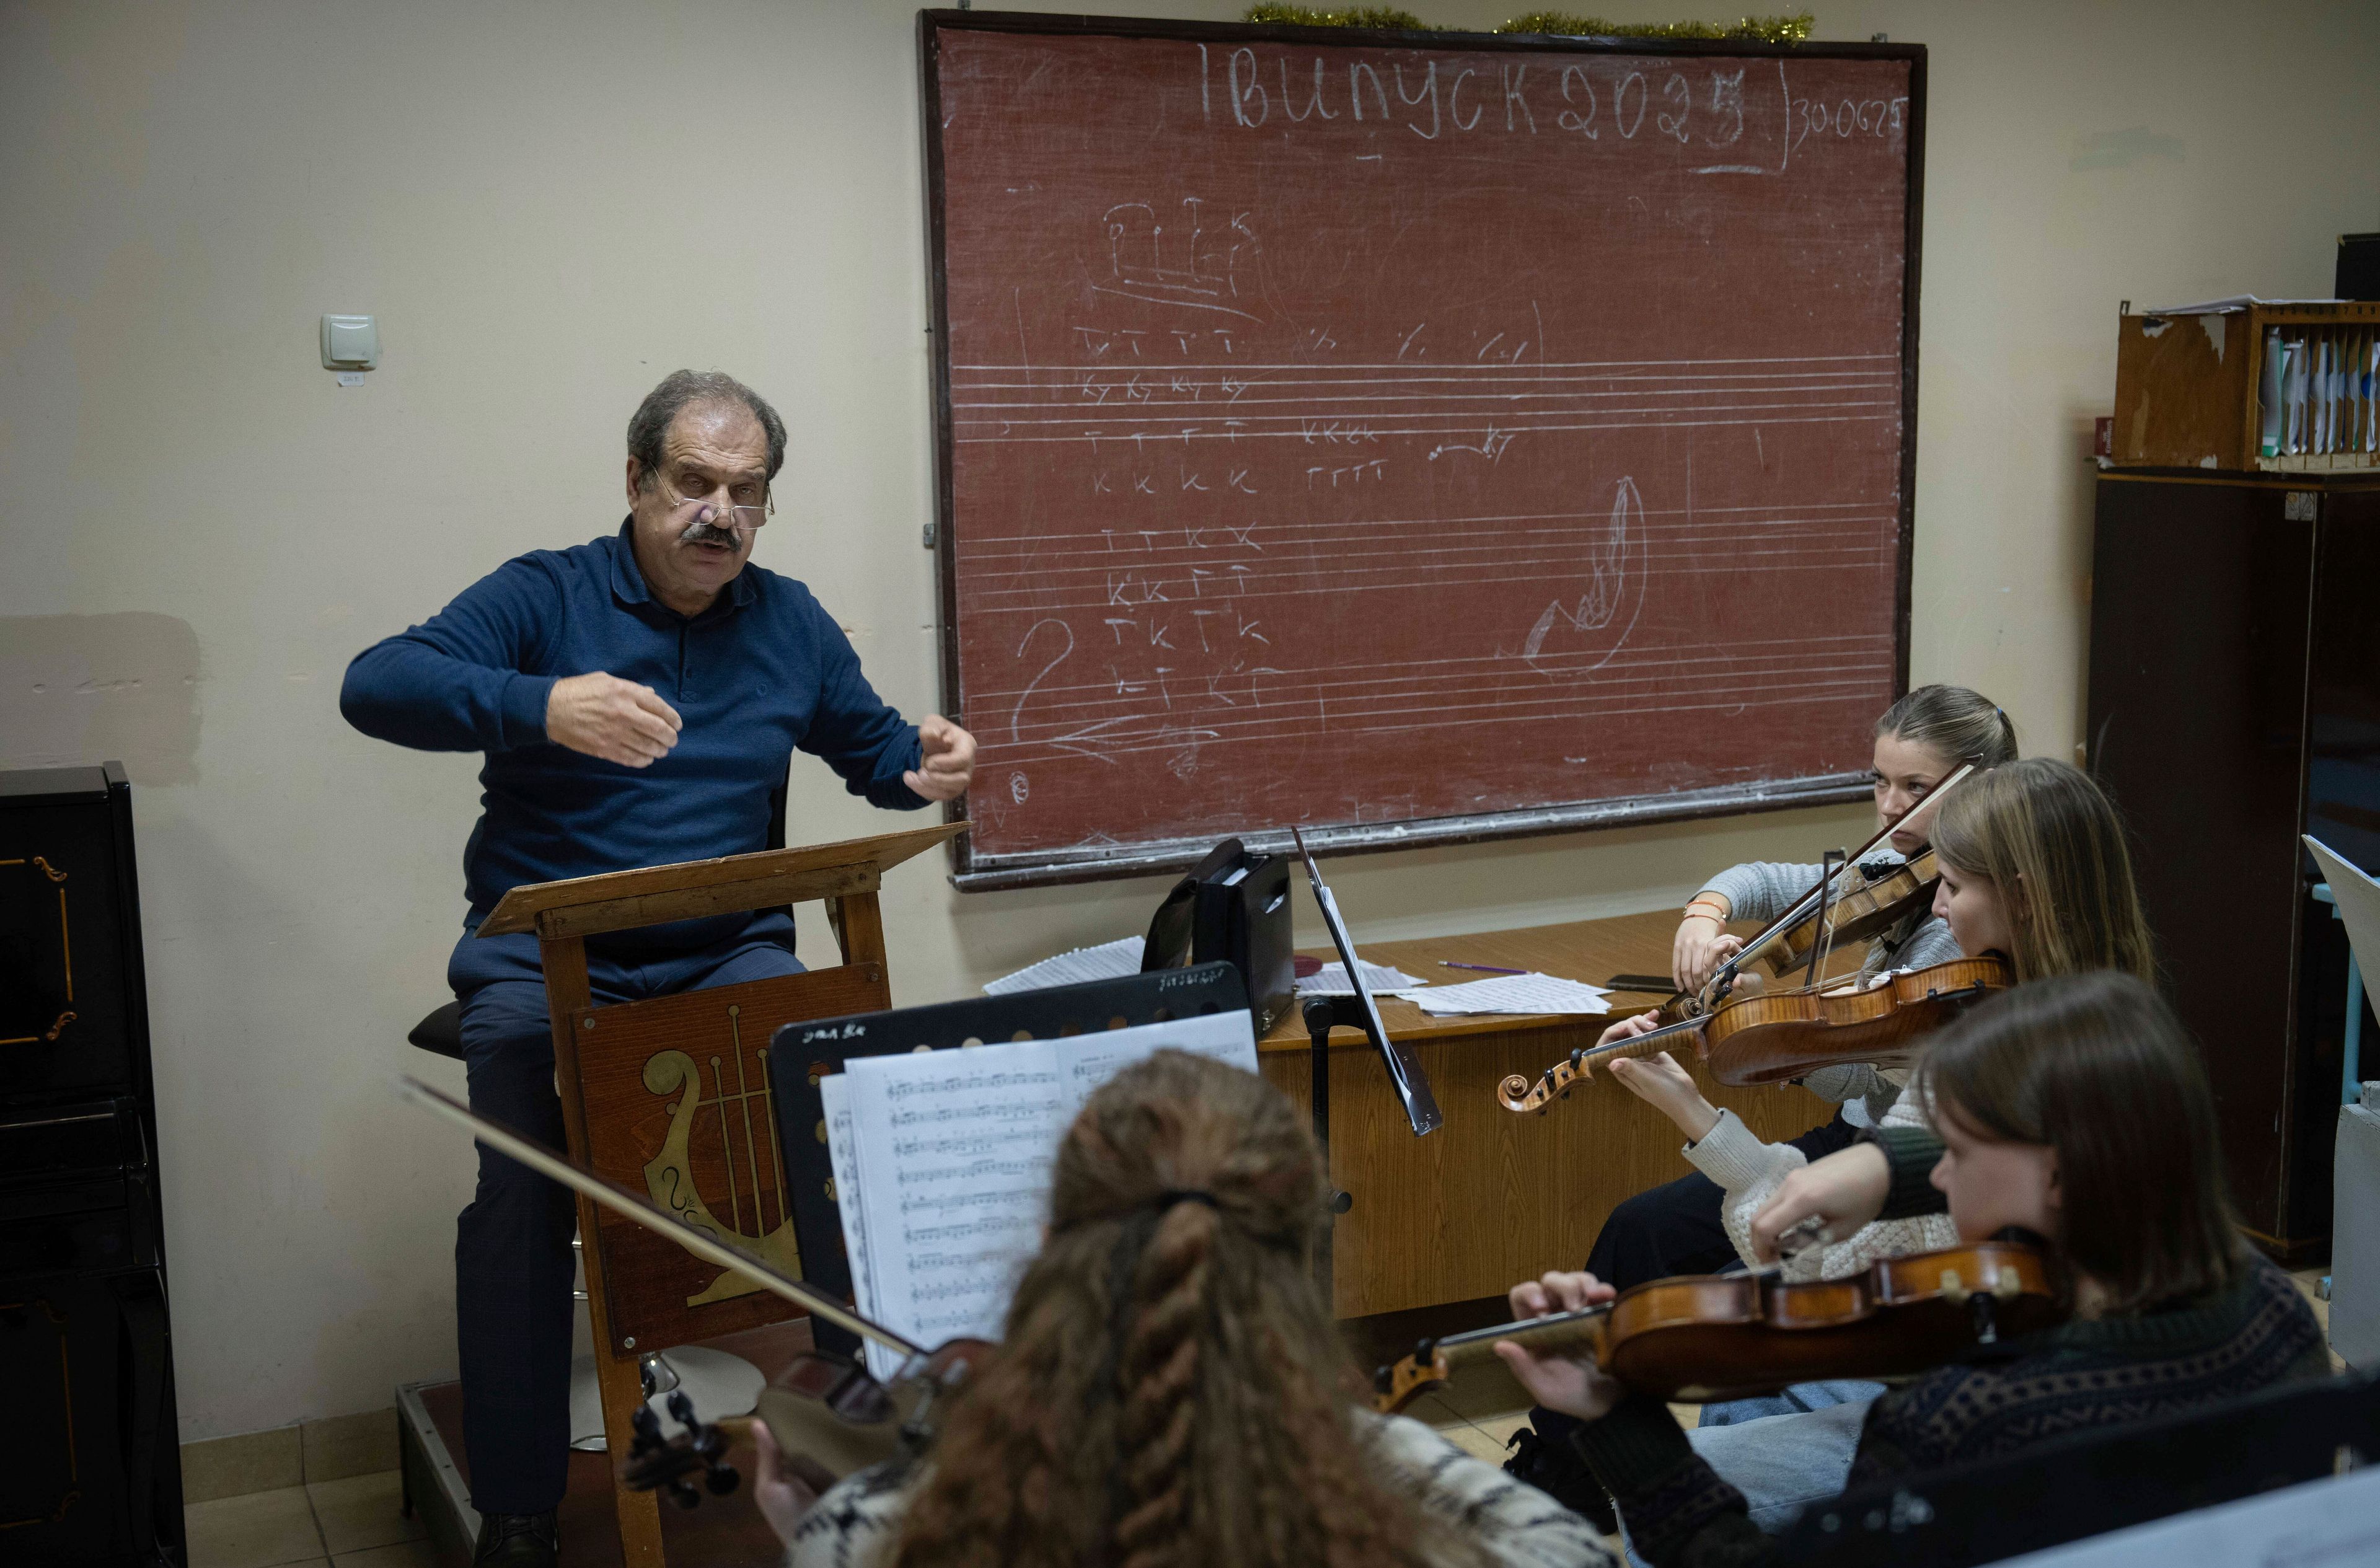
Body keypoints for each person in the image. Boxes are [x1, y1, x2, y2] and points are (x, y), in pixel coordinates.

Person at [340, 369, 977, 1568]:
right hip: (542, 956)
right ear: (637, 482)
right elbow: (374, 684)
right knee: (525, 1192)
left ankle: (859, 1466)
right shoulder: (547, 594)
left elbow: (880, 753)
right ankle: (520, 1514)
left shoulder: (788, 619)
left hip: (724, 950)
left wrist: (932, 762)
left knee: (835, 1146)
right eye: (693, 482)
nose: (718, 512)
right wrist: (539, 704)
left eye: (747, 491)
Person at [1496, 971, 2331, 1566]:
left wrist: (1619, 1427)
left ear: (2057, 1172)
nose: (1931, 1172)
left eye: (1957, 1149)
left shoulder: (1965, 1422)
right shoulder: (2272, 1310)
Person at [750, 1051, 1611, 1568]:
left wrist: (814, 1531)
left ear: (1053, 1247)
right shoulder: (1513, 1538)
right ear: (1290, 1266)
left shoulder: (857, 1540)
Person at [1505, 687, 2016, 1513]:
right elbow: (1762, 880)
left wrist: (1776, 1038)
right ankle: (1572, 1461)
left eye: (1913, 789)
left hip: (1881, 1158)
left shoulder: (1965, 950)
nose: (1889, 808)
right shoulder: (1896, 869)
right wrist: (1706, 916)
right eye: (1879, 782)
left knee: (1676, 1252)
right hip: (1858, 1143)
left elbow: (1864, 1083)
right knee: (1641, 1228)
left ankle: (1613, 1468)